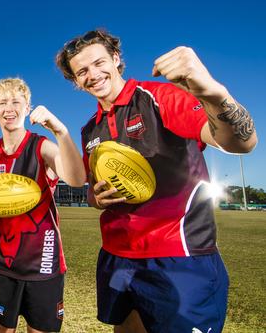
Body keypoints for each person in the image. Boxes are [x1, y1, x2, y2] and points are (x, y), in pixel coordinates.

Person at [55, 29, 258, 333]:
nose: (93, 75)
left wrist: (213, 93)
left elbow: (240, 142)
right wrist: (97, 198)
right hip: (117, 257)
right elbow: (95, 194)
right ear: (75, 81)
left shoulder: (158, 98)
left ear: (115, 58)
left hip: (179, 258)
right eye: (82, 71)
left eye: (98, 63)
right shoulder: (90, 131)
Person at [0, 78, 86, 333]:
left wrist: (60, 131)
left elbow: (76, 179)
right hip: (4, 262)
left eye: (16, 101)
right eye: (2, 102)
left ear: (27, 108)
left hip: (44, 262)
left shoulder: (42, 147)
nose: (9, 108)